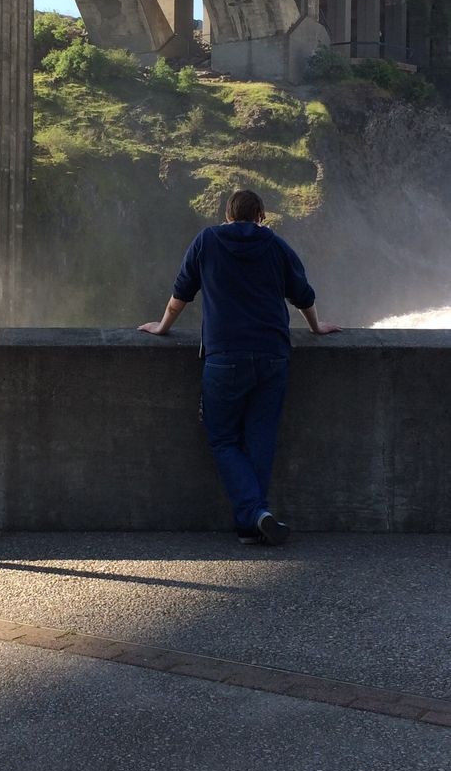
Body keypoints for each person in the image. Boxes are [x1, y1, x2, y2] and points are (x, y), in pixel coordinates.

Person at [138, 189, 340, 546]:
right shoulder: (275, 245)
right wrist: (314, 327)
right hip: (273, 354)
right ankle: (251, 525)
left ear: (227, 214)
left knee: (222, 438)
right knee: (260, 438)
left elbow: (181, 294)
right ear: (261, 215)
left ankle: (254, 514)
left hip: (225, 357)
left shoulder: (207, 241)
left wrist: (162, 327)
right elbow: (303, 294)